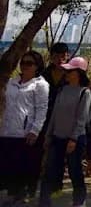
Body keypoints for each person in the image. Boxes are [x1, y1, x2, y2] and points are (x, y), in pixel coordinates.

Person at [37, 56, 91, 207]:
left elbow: (82, 118)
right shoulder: (62, 90)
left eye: (70, 71)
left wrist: (73, 139)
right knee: (50, 170)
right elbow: (54, 114)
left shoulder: (84, 93)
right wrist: (48, 135)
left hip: (74, 140)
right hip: (57, 137)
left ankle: (79, 201)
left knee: (75, 172)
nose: (66, 73)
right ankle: (44, 202)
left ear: (79, 73)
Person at [0, 50, 49, 204]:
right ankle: (10, 192)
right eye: (23, 63)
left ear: (37, 66)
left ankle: (22, 192)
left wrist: (34, 131)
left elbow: (42, 109)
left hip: (25, 132)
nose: (25, 66)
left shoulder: (40, 84)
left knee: (22, 165)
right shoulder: (12, 82)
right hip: (7, 129)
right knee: (7, 164)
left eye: (29, 63)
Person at [42, 42, 70, 120]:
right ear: (51, 57)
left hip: (64, 114)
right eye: (56, 56)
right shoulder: (44, 74)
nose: (60, 60)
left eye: (63, 56)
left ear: (68, 56)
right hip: (45, 113)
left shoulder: (73, 74)